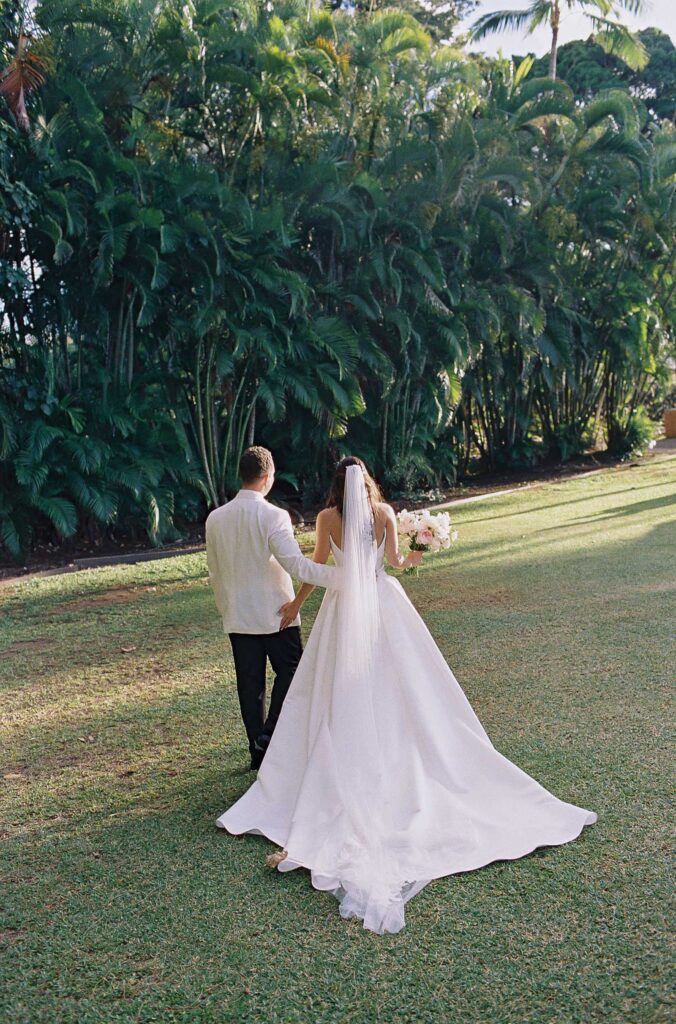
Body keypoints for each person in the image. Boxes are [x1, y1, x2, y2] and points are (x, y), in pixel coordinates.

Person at [216, 456, 598, 934]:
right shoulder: (384, 513)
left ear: (336, 484)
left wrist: (295, 603)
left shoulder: (328, 518)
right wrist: (417, 552)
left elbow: (316, 568)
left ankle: (341, 745)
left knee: (337, 684)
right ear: (367, 482)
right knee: (402, 682)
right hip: (382, 602)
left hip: (342, 609)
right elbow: (396, 562)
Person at [205, 446, 340, 770]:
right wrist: (343, 576)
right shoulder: (274, 516)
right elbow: (296, 565)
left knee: (249, 686)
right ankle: (267, 738)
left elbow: (214, 572)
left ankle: (258, 751)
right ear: (267, 477)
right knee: (292, 672)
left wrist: (226, 608)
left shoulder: (215, 518)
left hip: (238, 615)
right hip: (278, 614)